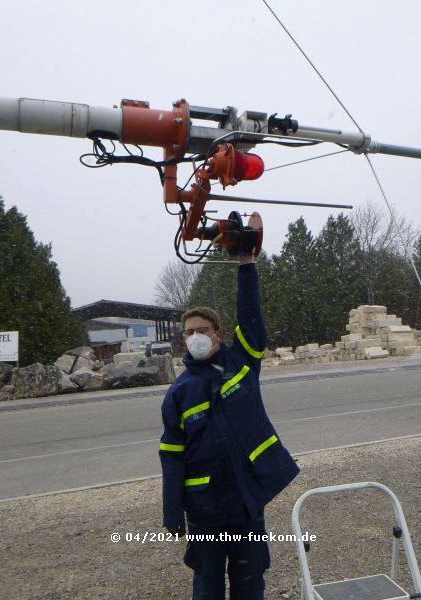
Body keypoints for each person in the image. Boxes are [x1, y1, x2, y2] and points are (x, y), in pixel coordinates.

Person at [159, 253, 299, 599]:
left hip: (247, 500)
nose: (195, 337)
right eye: (189, 333)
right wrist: (173, 509)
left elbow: (252, 317)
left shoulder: (242, 362)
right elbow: (172, 456)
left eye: (201, 331)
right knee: (207, 586)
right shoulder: (178, 393)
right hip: (204, 509)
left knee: (250, 583)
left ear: (218, 334)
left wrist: (247, 265)